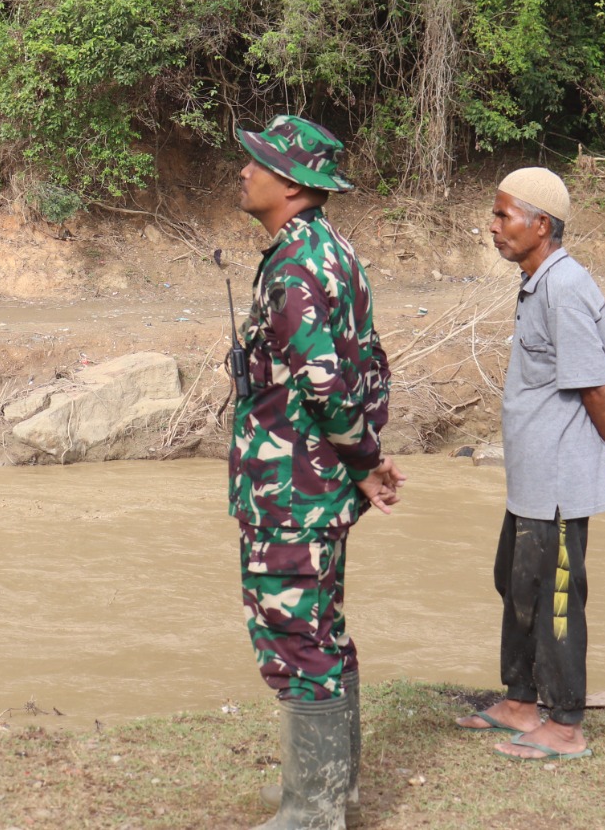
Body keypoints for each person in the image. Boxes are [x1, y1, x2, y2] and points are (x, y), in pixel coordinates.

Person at [231, 115, 404, 830]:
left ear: (294, 186)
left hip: (293, 489)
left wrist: (363, 461)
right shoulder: (330, 252)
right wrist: (363, 462)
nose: (243, 172)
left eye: (258, 163)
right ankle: (333, 791)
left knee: (298, 637)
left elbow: (327, 385)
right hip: (317, 482)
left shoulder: (300, 265)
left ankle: (314, 810)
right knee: (322, 630)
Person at [455, 167, 605, 760]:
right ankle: (519, 701)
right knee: (514, 582)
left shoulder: (566, 290)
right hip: (532, 479)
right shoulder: (537, 281)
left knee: (557, 599)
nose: (492, 227)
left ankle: (564, 725)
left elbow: (599, 392)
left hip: (561, 480)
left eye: (502, 215)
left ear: (541, 225)